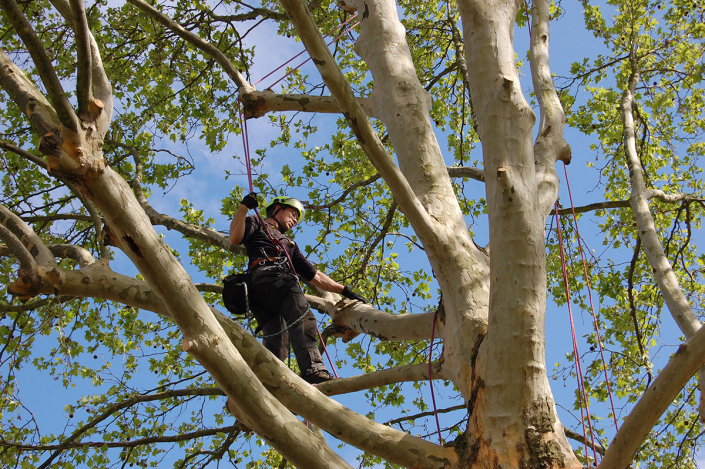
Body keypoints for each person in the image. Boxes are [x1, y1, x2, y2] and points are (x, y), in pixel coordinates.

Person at [229, 193, 367, 384]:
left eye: (297, 217)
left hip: (262, 294)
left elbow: (315, 276)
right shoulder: (256, 222)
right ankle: (313, 369)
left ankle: (268, 383)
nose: (295, 220)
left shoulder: (289, 245)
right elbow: (235, 238)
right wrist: (244, 207)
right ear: (277, 208)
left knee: (278, 344)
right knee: (303, 318)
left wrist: (344, 290)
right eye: (293, 213)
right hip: (273, 280)